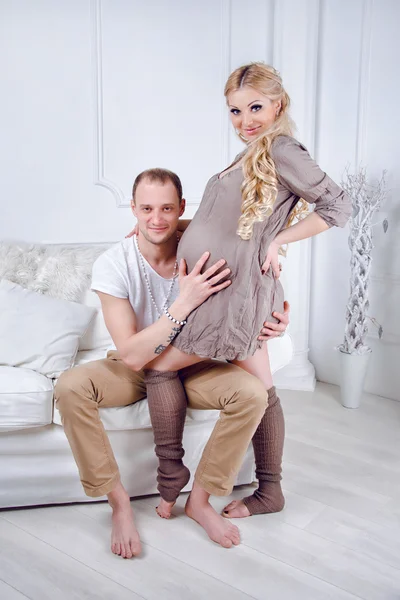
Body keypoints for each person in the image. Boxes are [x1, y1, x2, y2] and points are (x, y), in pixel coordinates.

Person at [135, 62, 352, 521]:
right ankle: (269, 490)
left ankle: (172, 475)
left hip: (232, 297)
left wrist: (279, 240)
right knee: (263, 388)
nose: (244, 121)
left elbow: (338, 205)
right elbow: (228, 226)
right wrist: (162, 231)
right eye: (235, 111)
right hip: (222, 294)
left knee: (158, 367)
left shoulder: (282, 148)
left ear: (279, 104)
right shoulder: (251, 153)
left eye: (255, 107)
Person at [55, 167, 290, 558]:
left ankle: (199, 502)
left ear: (182, 207)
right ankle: (120, 503)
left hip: (194, 365)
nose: (156, 219)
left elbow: (254, 277)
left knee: (252, 392)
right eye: (146, 208)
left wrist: (277, 318)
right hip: (137, 365)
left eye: (167, 209)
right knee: (70, 387)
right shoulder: (113, 263)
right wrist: (183, 304)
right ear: (132, 208)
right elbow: (131, 353)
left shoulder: (203, 245)